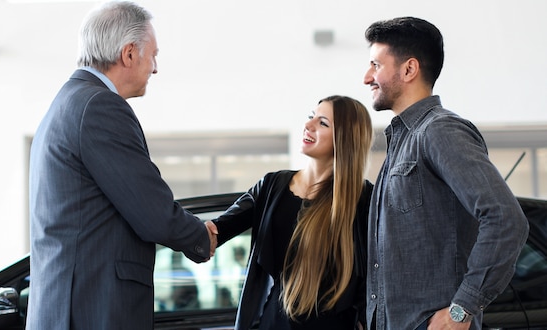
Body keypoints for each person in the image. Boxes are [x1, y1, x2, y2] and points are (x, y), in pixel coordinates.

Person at [26, 2, 217, 329]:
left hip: (65, 309)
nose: (154, 68)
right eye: (153, 55)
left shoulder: (67, 103)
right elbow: (152, 211)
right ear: (129, 54)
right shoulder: (99, 106)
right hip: (91, 311)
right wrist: (200, 236)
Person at [363, 17, 529, 330]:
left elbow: (505, 219)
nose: (366, 77)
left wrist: (461, 311)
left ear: (409, 69)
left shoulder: (440, 131)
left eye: (375, 64)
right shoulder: (402, 142)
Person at [210, 95, 374, 330]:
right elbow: (219, 228)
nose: (308, 125)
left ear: (345, 139)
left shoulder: (364, 199)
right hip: (272, 323)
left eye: (323, 123)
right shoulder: (272, 185)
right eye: (311, 117)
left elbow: (374, 276)